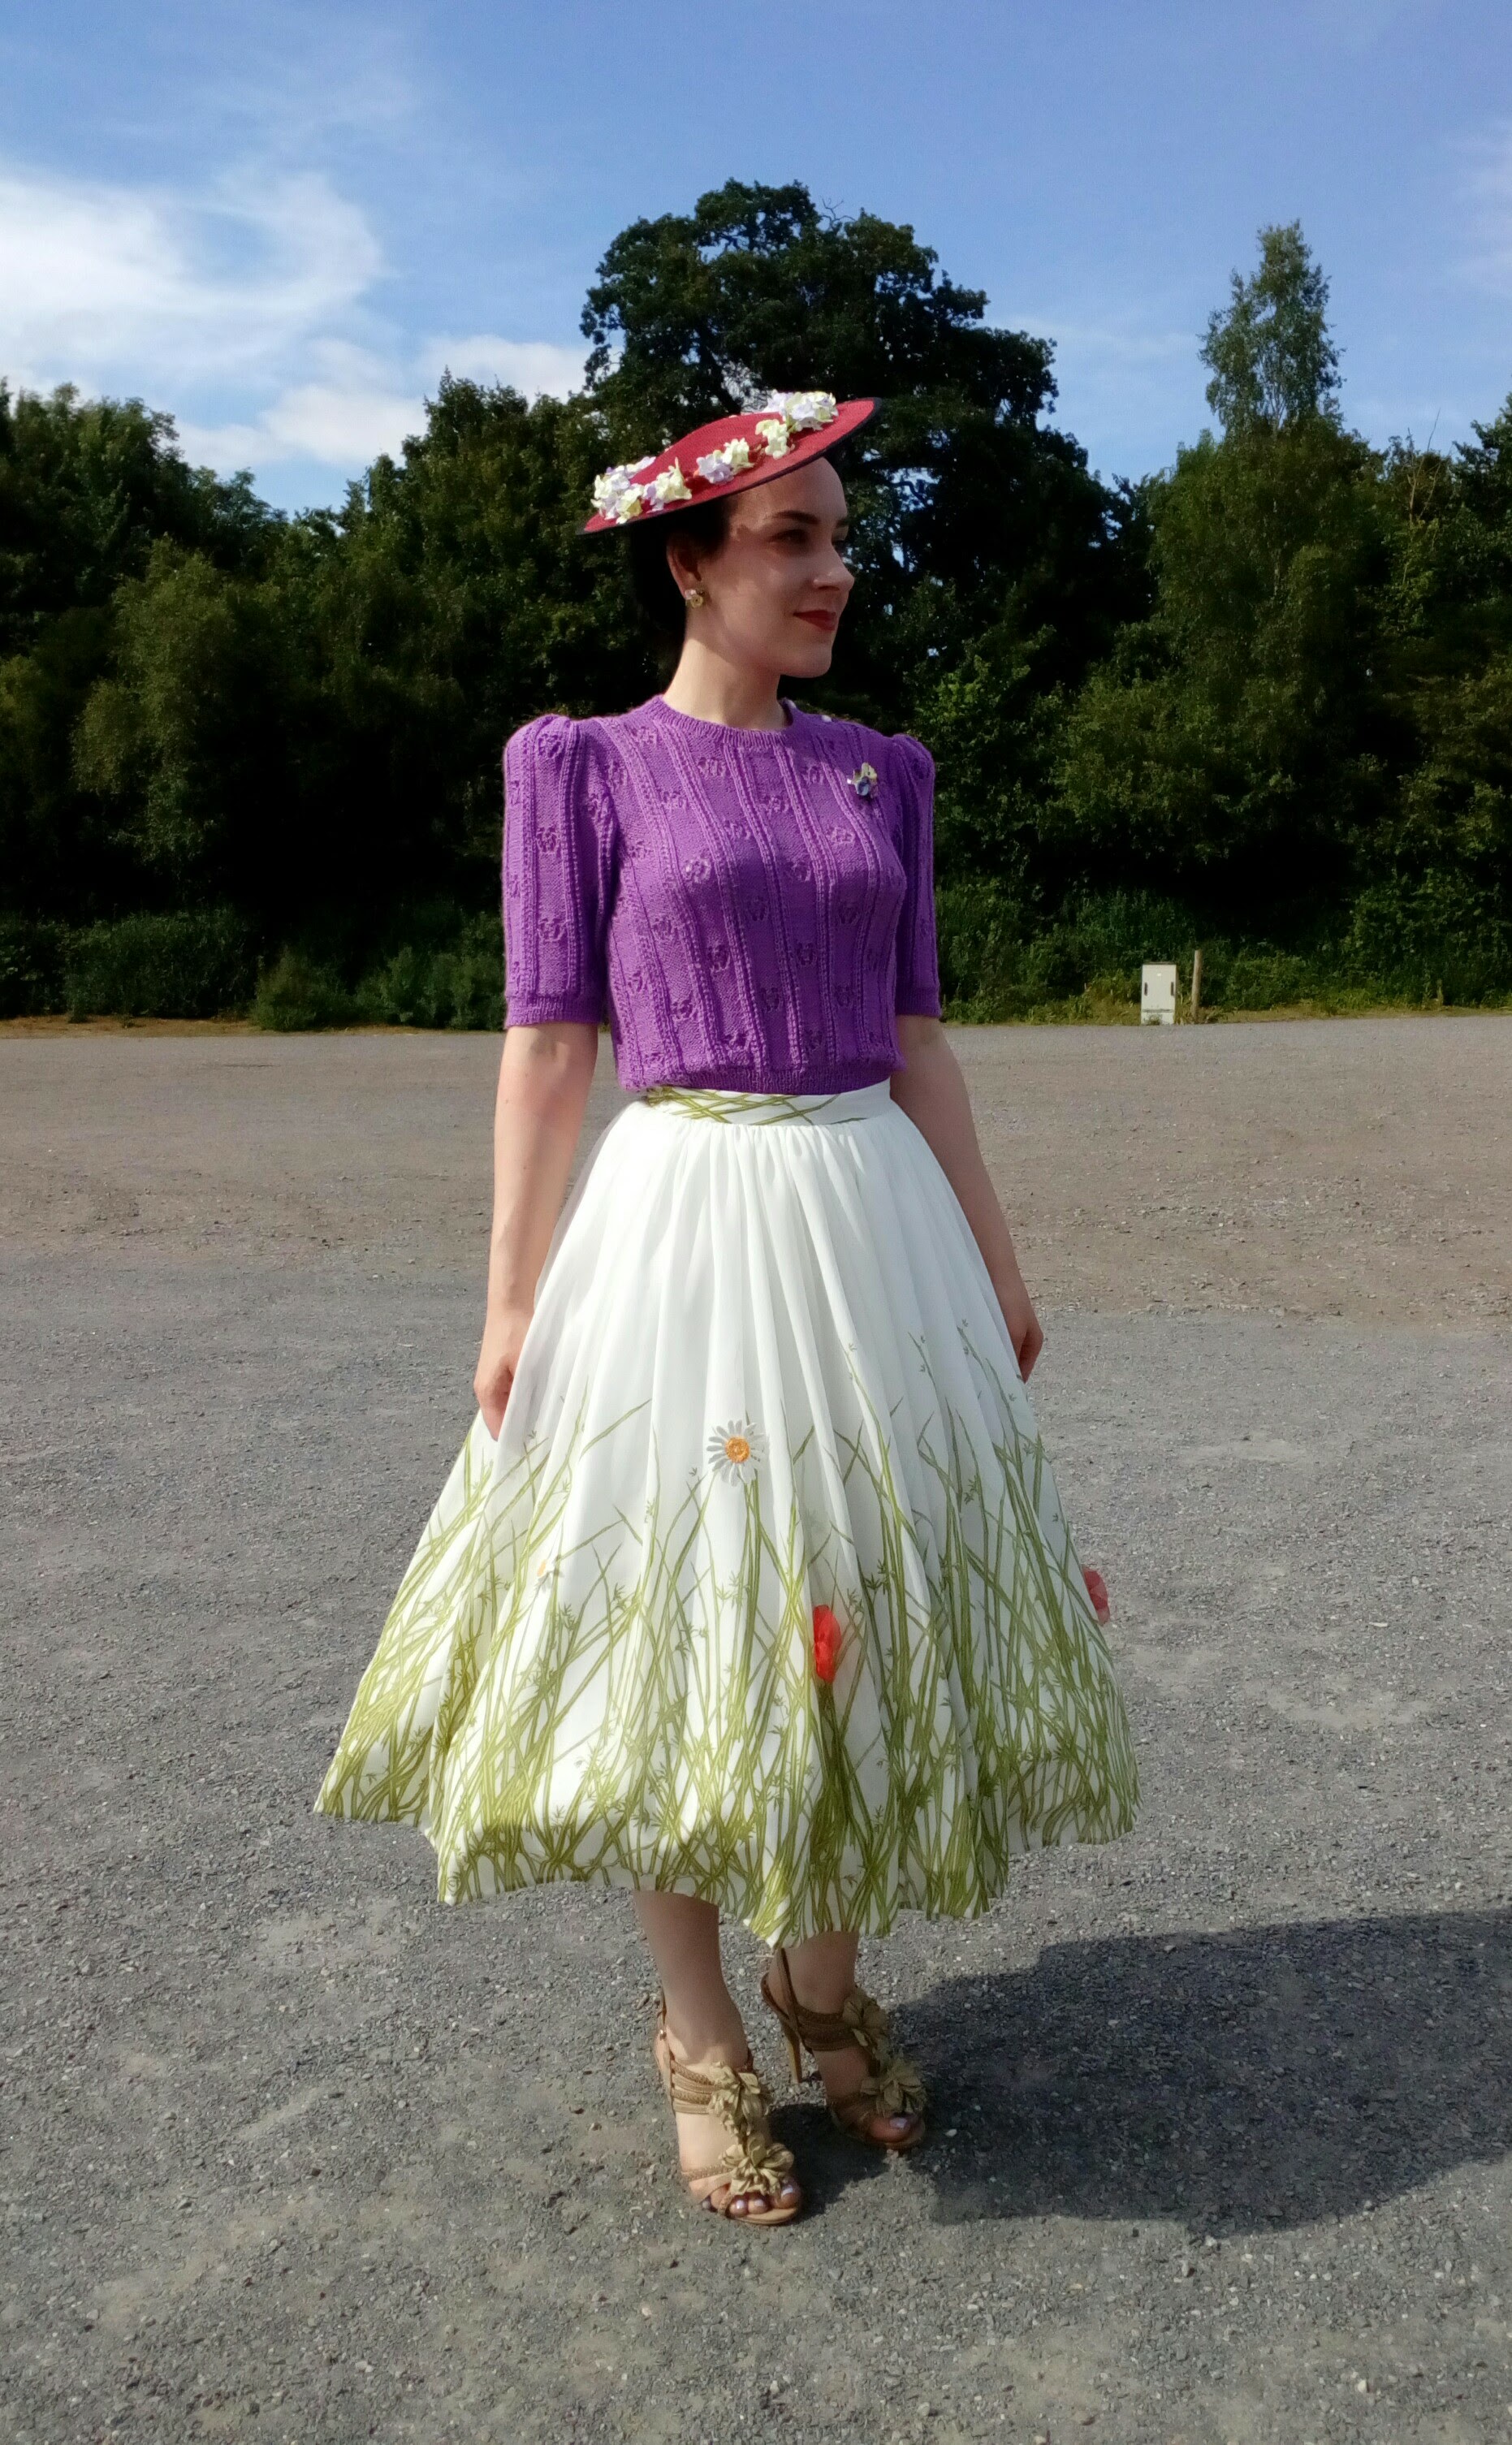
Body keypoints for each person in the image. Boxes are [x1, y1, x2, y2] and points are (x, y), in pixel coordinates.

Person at [317, 390, 1138, 2229]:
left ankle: (818, 1987)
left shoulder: (881, 774)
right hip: (681, 1224)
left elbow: (918, 1036)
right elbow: (550, 1048)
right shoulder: (583, 769)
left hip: (872, 1224)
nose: (833, 571)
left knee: (860, 1606)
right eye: (792, 538)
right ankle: (699, 2036)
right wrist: (510, 1302)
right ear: (687, 561)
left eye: (843, 539)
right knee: (683, 1623)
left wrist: (997, 1262)